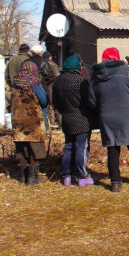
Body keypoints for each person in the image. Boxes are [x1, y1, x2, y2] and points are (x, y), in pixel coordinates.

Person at [89, 47, 129, 192]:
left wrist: (102, 109)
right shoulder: (127, 71)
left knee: (113, 148)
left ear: (104, 59)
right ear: (117, 58)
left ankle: (115, 183)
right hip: (127, 114)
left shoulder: (95, 75)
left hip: (107, 115)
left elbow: (92, 100)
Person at [52, 55, 94, 187]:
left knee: (69, 147)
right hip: (82, 119)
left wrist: (63, 111)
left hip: (67, 119)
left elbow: (55, 102)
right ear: (77, 66)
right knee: (81, 147)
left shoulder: (58, 81)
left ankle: (67, 176)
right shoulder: (81, 81)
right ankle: (83, 176)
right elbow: (89, 101)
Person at [10, 60, 49, 185]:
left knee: (21, 145)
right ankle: (33, 178)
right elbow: (43, 100)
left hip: (18, 118)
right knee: (34, 146)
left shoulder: (14, 82)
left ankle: (22, 177)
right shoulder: (34, 83)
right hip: (32, 118)